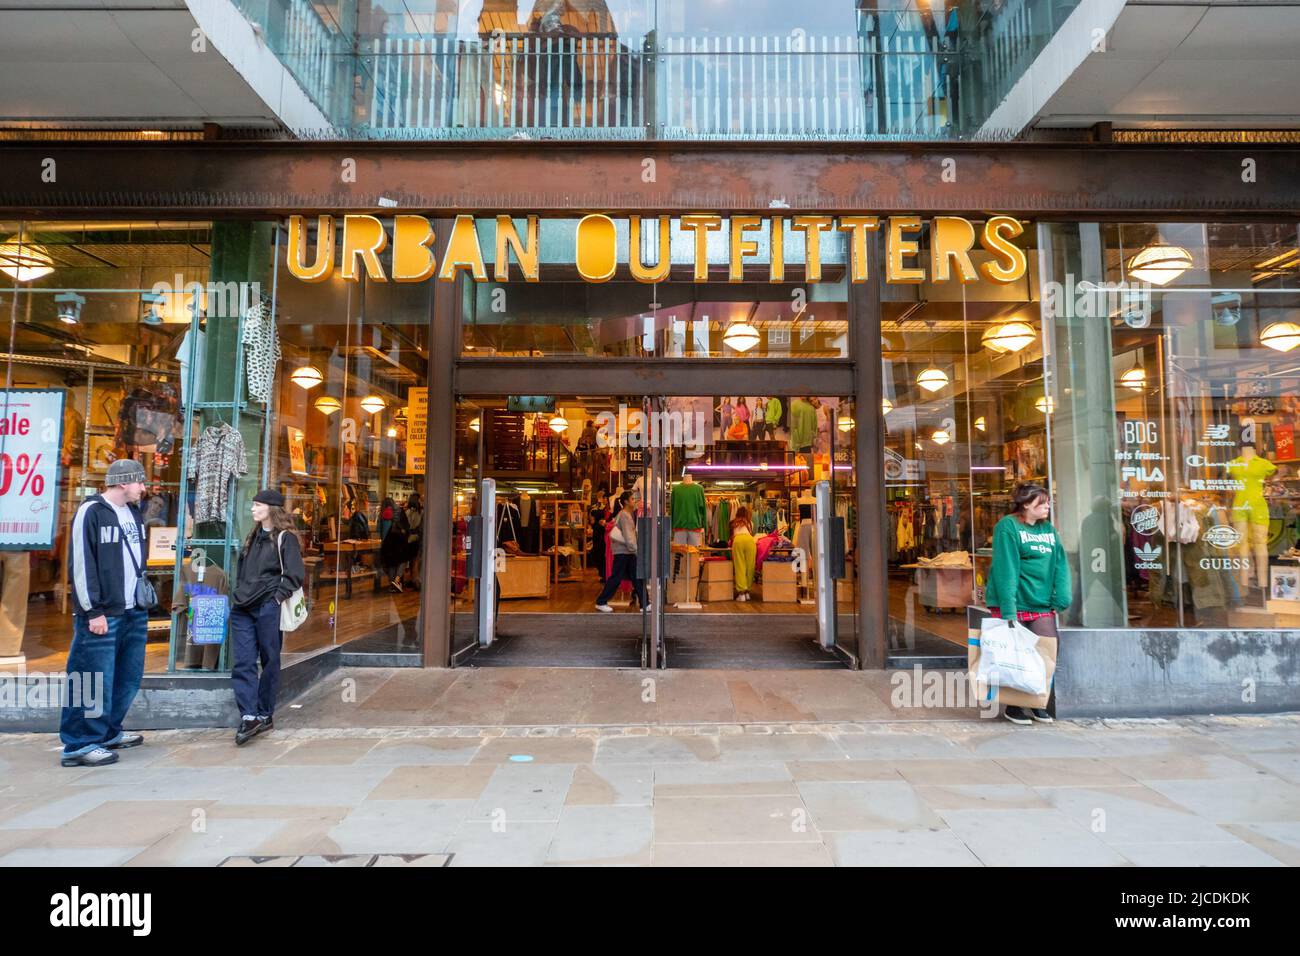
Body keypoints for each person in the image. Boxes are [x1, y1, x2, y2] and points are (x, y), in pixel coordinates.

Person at [59, 459, 151, 767]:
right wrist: (92, 610)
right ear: (124, 483)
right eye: (140, 482)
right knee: (90, 676)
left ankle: (109, 730)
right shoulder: (92, 511)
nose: (144, 488)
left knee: (127, 676)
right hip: (102, 614)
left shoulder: (134, 514)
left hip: (132, 609)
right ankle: (80, 743)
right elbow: (82, 564)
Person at [985, 482, 1071, 726]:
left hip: (1042, 604)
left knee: (1047, 652)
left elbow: (1060, 564)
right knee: (1016, 654)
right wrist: (1008, 609)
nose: (1047, 506)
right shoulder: (1008, 527)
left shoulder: (1049, 531)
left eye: (1047, 502)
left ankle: (1037, 702)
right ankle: (1015, 705)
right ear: (1025, 504)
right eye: (1041, 503)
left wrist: (1061, 598)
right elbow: (1006, 568)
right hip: (1016, 602)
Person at [230, 489, 305, 745]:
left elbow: (294, 574)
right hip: (243, 608)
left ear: (271, 509)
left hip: (267, 607)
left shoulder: (285, 539)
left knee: (270, 660)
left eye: (257, 505)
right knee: (243, 661)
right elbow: (243, 571)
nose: (252, 509)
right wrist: (238, 594)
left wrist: (275, 600)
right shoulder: (252, 537)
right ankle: (249, 715)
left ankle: (264, 713)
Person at [594, 491, 649, 613]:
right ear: (626, 502)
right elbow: (629, 537)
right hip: (623, 551)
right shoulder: (625, 515)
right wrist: (637, 551)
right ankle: (601, 601)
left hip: (625, 551)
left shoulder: (626, 514)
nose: (634, 501)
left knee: (635, 577)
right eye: (632, 499)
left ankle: (645, 603)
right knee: (617, 577)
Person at [730, 506, 757, 602]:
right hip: (750, 541)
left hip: (738, 541)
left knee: (740, 566)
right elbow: (751, 533)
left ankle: (741, 594)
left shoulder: (734, 523)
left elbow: (732, 536)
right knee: (750, 566)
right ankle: (747, 592)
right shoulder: (750, 523)